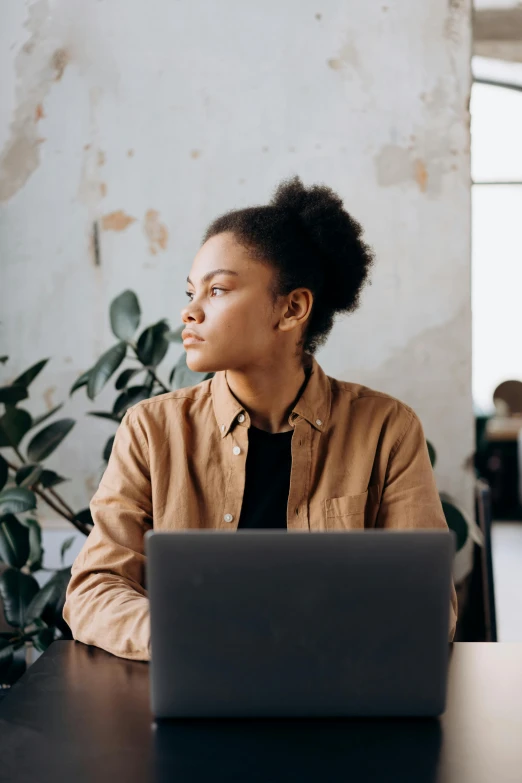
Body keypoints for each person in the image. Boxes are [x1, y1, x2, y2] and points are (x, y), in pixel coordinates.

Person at [62, 175, 458, 660]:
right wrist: (190, 636)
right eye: (191, 293)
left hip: (338, 703)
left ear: (292, 308)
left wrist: (299, 640)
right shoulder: (151, 430)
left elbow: (429, 605)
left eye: (218, 291)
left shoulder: (386, 429)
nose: (190, 312)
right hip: (196, 695)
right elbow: (94, 589)